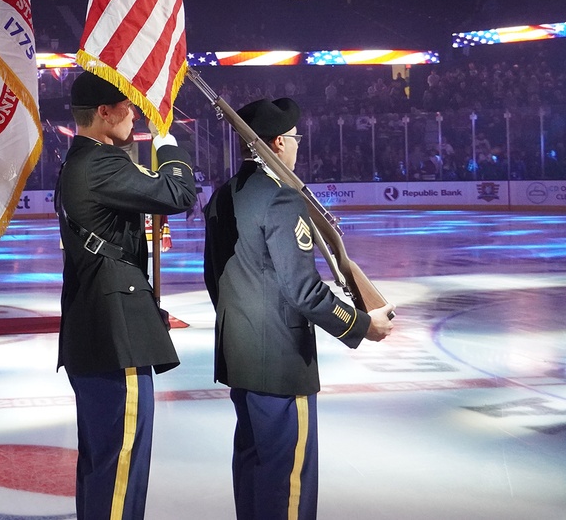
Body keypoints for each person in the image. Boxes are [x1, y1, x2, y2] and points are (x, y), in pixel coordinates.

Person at [203, 98, 394, 520]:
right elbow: (304, 292)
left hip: (241, 356)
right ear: (277, 143)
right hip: (283, 365)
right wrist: (362, 325)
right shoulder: (282, 200)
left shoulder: (221, 197)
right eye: (293, 138)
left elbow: (214, 280)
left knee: (253, 469)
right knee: (288, 482)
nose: (296, 146)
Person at [55, 72, 197, 520]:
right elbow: (178, 194)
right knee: (120, 466)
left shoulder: (83, 160)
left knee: (104, 464)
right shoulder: (101, 162)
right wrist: (168, 142)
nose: (133, 114)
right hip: (116, 332)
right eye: (127, 106)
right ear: (104, 112)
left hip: (99, 324)